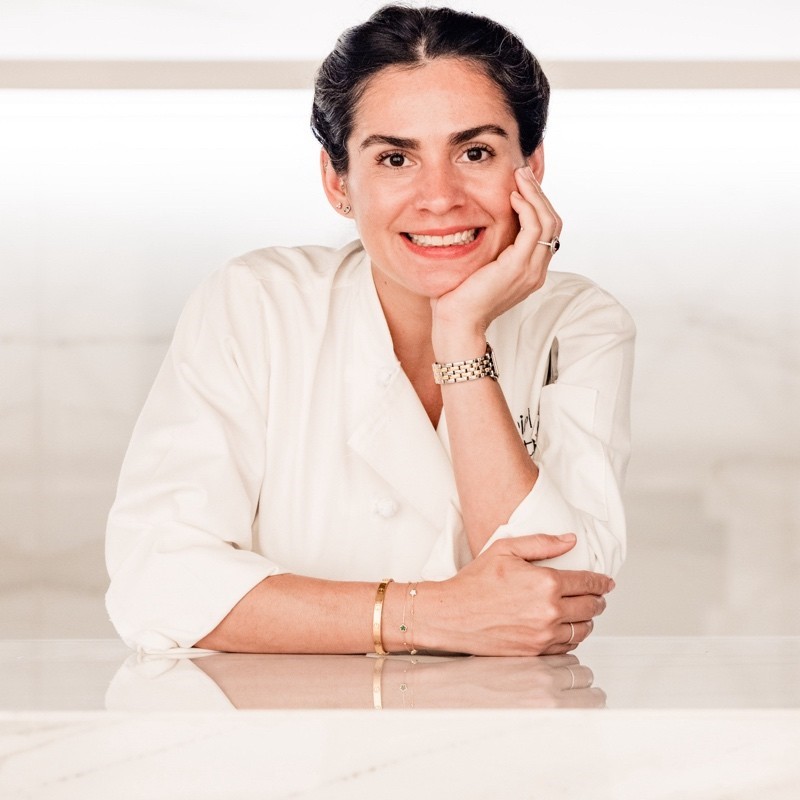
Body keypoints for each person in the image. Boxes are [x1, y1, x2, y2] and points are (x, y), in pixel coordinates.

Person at [105, 4, 635, 656]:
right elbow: (155, 580)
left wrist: (460, 334)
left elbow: (557, 595)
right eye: (395, 158)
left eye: (475, 152)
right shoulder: (257, 304)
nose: (440, 196)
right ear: (338, 182)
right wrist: (427, 615)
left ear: (532, 166)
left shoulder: (579, 324)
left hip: (508, 715)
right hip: (283, 720)